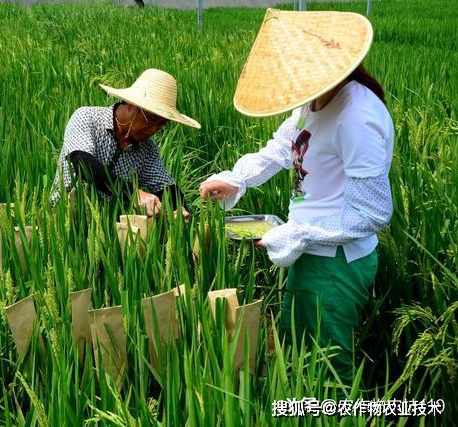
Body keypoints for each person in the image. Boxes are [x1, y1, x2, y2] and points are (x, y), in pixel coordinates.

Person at [199, 9, 394, 385]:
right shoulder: (311, 100)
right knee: (297, 351)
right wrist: (237, 180)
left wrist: (299, 233)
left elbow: (371, 213)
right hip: (309, 250)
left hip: (337, 262)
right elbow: (281, 148)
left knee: (329, 369)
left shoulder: (357, 117)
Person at [50, 68, 200, 220]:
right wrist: (133, 193)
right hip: (65, 219)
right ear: (130, 104)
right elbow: (80, 161)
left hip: (107, 228)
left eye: (161, 124)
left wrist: (179, 208)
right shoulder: (88, 118)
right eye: (152, 120)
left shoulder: (147, 149)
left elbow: (165, 186)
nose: (154, 129)